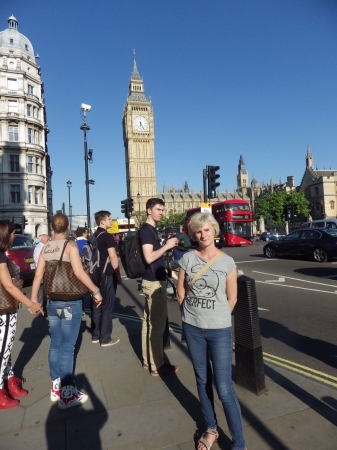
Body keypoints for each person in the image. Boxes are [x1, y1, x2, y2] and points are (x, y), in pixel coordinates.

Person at [177, 213, 246, 450]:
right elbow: (181, 293)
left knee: (224, 388)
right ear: (193, 234)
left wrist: (216, 316)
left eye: (206, 230)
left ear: (214, 231)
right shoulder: (187, 258)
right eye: (198, 231)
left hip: (219, 331)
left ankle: (239, 444)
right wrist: (190, 318)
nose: (202, 234)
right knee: (202, 380)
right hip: (193, 328)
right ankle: (211, 429)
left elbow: (233, 297)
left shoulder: (227, 262)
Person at [31, 214, 103, 410]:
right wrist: (95, 291)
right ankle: (68, 394)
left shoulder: (46, 248)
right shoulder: (70, 247)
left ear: (52, 227)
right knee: (68, 347)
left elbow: (38, 276)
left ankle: (56, 386)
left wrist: (34, 300)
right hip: (70, 302)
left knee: (55, 343)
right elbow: (79, 273)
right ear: (68, 226)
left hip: (52, 302)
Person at [0, 220, 43, 410]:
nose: (13, 236)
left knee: (6, 348)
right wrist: (30, 303)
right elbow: (8, 285)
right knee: (3, 350)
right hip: (4, 309)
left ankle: (9, 380)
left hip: (6, 307)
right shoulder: (1, 256)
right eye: (10, 233)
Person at [139, 198, 179, 376]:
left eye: (162, 210)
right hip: (154, 283)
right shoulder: (147, 231)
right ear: (148, 210)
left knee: (148, 324)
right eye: (158, 209)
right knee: (157, 326)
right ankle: (158, 366)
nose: (161, 213)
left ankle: (148, 361)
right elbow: (149, 257)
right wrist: (166, 246)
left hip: (152, 279)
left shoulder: (151, 230)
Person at [91, 210, 122, 347]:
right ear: (102, 221)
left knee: (97, 305)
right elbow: (113, 256)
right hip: (107, 274)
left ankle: (96, 335)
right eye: (109, 218)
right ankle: (105, 338)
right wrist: (118, 273)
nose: (111, 220)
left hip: (94, 275)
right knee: (107, 306)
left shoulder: (94, 236)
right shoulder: (107, 237)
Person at [33, 234, 49, 307]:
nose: (48, 241)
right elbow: (42, 261)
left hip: (38, 268)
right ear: (43, 239)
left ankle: (40, 303)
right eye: (47, 240)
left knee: (41, 287)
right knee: (44, 289)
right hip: (42, 269)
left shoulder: (38, 246)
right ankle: (42, 305)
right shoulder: (42, 247)